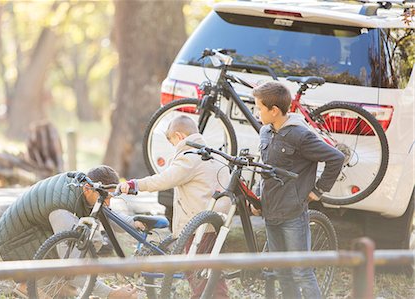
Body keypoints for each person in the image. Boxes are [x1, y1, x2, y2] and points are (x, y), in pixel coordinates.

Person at [118, 115, 231, 299]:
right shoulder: (215, 154)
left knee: (198, 274)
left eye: (172, 142)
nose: (173, 147)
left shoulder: (189, 157)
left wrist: (135, 185)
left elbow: (164, 179)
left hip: (196, 227)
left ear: (179, 136)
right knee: (209, 273)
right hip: (215, 223)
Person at [251, 82, 345, 299]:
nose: (257, 113)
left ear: (274, 110)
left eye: (259, 108)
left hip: (293, 213)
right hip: (270, 211)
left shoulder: (300, 136)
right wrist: (257, 195)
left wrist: (319, 190)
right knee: (281, 270)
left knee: (301, 271)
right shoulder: (265, 132)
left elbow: (336, 158)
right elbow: (264, 168)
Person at [0, 165, 139, 299]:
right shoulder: (61, 212)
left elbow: (108, 214)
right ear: (88, 189)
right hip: (17, 238)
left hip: (29, 228)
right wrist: (111, 294)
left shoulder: (84, 186)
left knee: (90, 239)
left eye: (110, 198)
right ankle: (27, 285)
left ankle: (59, 283)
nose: (107, 203)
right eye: (106, 198)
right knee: (84, 244)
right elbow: (70, 264)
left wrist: (135, 223)